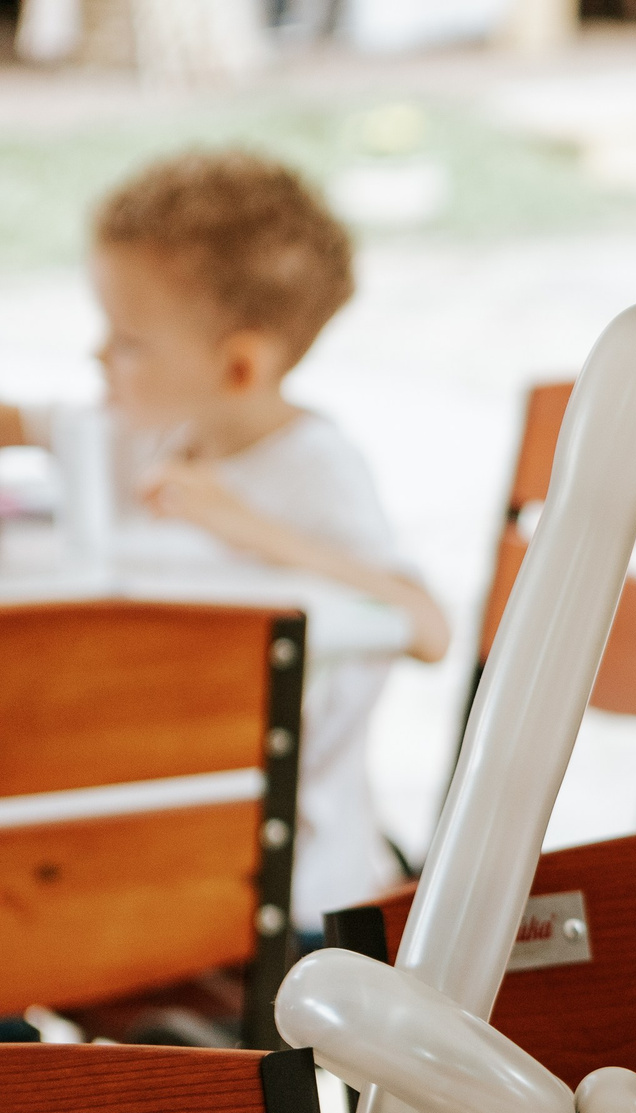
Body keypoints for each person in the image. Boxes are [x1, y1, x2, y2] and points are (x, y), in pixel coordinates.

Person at [0, 150, 450, 942]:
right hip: (156, 839)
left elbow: (426, 626)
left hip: (285, 889)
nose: (100, 357)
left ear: (239, 365)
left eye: (128, 339)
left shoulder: (315, 469)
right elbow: (29, 421)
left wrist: (250, 529)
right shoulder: (155, 428)